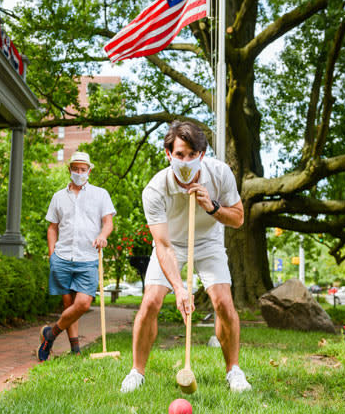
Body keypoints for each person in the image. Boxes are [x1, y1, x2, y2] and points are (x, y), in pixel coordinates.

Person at [120, 121, 250, 393]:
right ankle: (136, 372)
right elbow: (163, 245)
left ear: (202, 154)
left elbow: (238, 218)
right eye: (180, 155)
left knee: (223, 302)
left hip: (208, 240)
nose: (186, 161)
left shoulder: (220, 173)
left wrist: (212, 207)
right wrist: (179, 288)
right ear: (168, 154)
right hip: (171, 244)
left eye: (192, 154)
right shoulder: (155, 189)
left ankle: (234, 371)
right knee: (151, 301)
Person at [38, 152, 115, 361]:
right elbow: (52, 228)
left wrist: (102, 235)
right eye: (76, 169)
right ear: (70, 170)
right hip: (62, 257)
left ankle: (50, 334)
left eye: (83, 169)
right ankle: (75, 350)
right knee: (68, 304)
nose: (79, 173)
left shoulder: (100, 194)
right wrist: (52, 255)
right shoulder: (58, 197)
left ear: (89, 170)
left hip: (88, 257)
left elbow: (108, 222)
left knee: (82, 304)